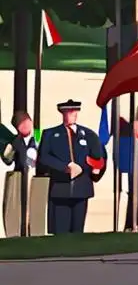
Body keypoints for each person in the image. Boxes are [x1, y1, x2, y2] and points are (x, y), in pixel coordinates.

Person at [36, 99, 106, 234]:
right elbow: (44, 157)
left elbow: (98, 157)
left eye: (73, 112)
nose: (71, 115)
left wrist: (91, 169)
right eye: (68, 112)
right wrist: (64, 167)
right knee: (60, 230)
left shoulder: (89, 134)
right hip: (60, 189)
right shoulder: (50, 134)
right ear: (62, 113)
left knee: (77, 230)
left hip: (81, 188)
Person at [2, 111, 44, 237]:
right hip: (21, 177)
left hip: (38, 178)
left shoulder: (39, 136)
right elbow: (7, 160)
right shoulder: (15, 141)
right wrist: (11, 149)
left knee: (36, 208)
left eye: (26, 122)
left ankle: (36, 233)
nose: (25, 126)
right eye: (21, 124)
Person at [117, 115, 138, 231]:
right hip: (128, 169)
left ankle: (135, 224)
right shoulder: (126, 136)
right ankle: (128, 226)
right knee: (130, 196)